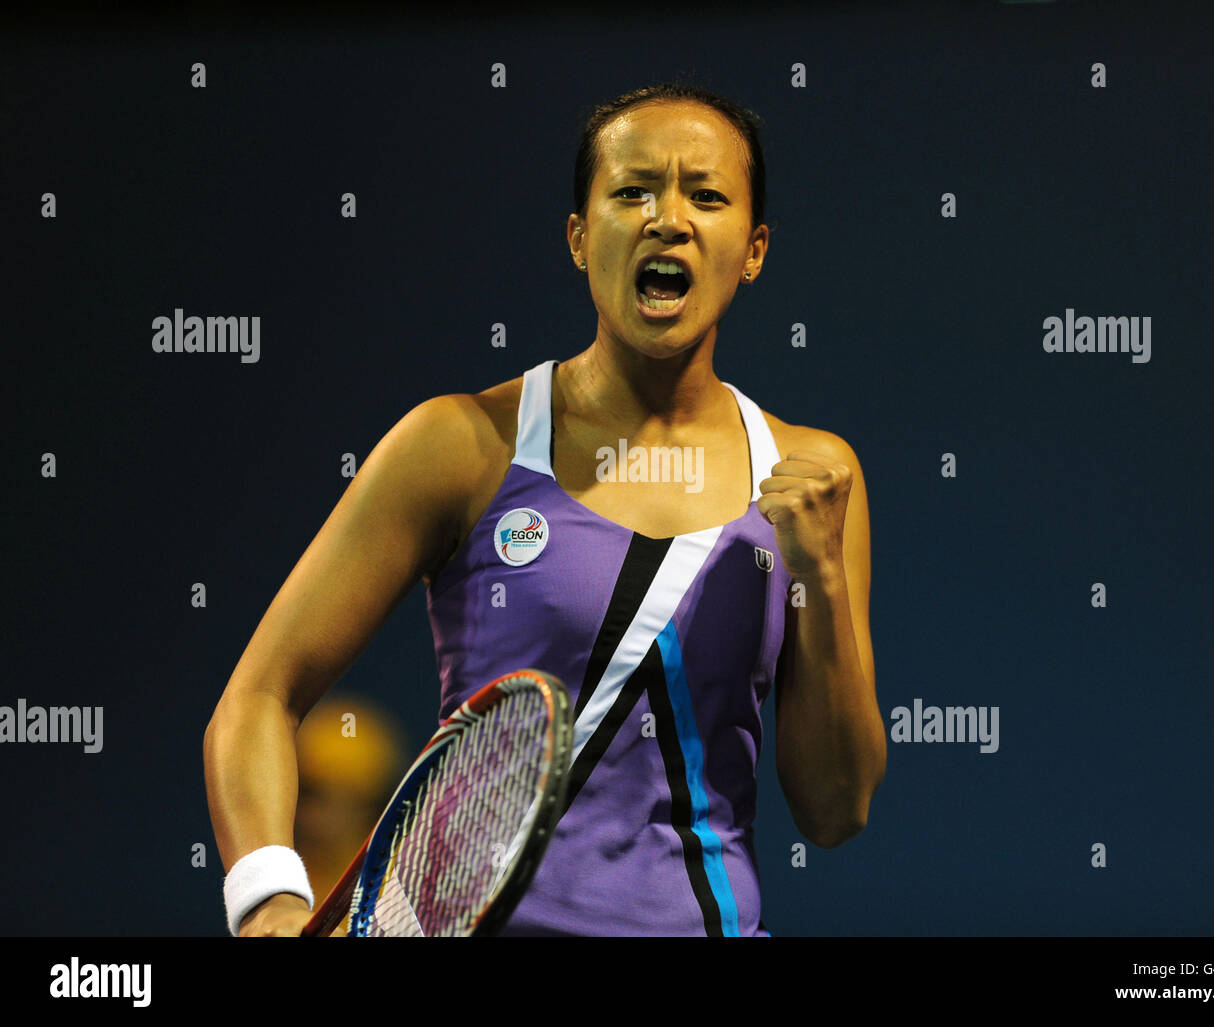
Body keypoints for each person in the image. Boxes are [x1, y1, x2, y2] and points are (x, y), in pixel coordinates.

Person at [204, 81, 886, 937]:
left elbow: (836, 809)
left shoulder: (812, 477)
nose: (666, 218)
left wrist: (817, 574)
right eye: (632, 190)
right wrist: (268, 897)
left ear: (752, 249)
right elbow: (258, 697)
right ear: (578, 235)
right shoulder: (460, 443)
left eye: (704, 195)